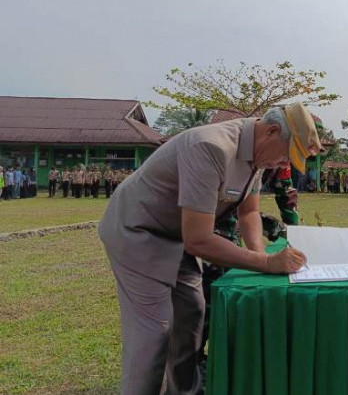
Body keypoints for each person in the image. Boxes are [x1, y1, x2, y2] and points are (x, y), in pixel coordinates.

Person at [98, 103, 319, 395]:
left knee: (191, 315)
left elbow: (249, 213)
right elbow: (199, 240)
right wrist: (266, 263)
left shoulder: (255, 153)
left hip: (176, 235)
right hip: (138, 233)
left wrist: (262, 256)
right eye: (285, 155)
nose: (282, 164)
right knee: (153, 334)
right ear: (272, 131)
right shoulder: (211, 147)